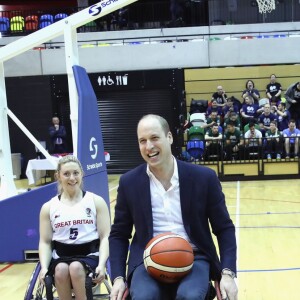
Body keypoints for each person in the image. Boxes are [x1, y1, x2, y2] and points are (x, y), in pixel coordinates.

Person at [109, 114, 238, 300]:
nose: (149, 147)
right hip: (148, 259)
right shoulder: (129, 182)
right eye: (142, 141)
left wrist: (228, 273)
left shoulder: (204, 178)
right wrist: (118, 278)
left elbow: (224, 228)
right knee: (145, 297)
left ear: (169, 137)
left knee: (190, 296)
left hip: (194, 256)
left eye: (154, 138)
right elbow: (119, 234)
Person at [39, 155, 110, 299]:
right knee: (60, 269)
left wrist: (102, 264)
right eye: (66, 174)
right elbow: (45, 242)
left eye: (76, 173)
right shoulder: (49, 207)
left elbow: (105, 237)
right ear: (58, 176)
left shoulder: (96, 202)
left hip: (89, 255)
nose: (72, 178)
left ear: (82, 174)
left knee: (76, 267)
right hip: (61, 255)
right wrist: (44, 267)